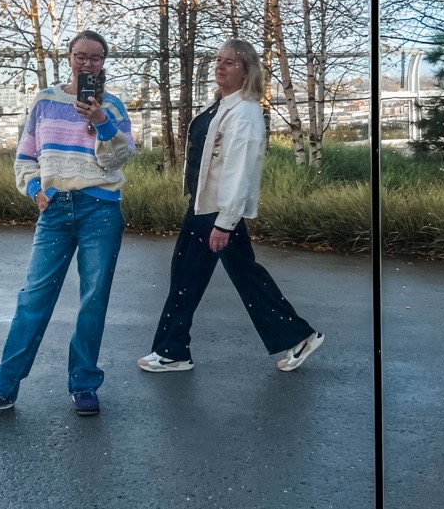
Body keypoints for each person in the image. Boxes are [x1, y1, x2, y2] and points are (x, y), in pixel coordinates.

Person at [0, 31, 135, 417]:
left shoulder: (113, 106)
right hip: (55, 210)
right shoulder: (44, 100)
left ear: (104, 62)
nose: (87, 63)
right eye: (80, 56)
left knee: (93, 300)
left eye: (95, 58)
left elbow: (119, 159)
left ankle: (85, 383)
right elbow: (26, 156)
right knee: (33, 298)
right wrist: (35, 189)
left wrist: (102, 123)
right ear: (69, 57)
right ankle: (2, 386)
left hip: (100, 209)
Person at [138, 38, 323, 376]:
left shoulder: (246, 114)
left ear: (247, 71)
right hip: (207, 206)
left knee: (187, 276)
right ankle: (297, 335)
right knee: (239, 273)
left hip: (216, 211)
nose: (220, 66)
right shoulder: (222, 105)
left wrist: (224, 223)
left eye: (230, 62)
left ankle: (172, 350)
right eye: (218, 60)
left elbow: (240, 172)